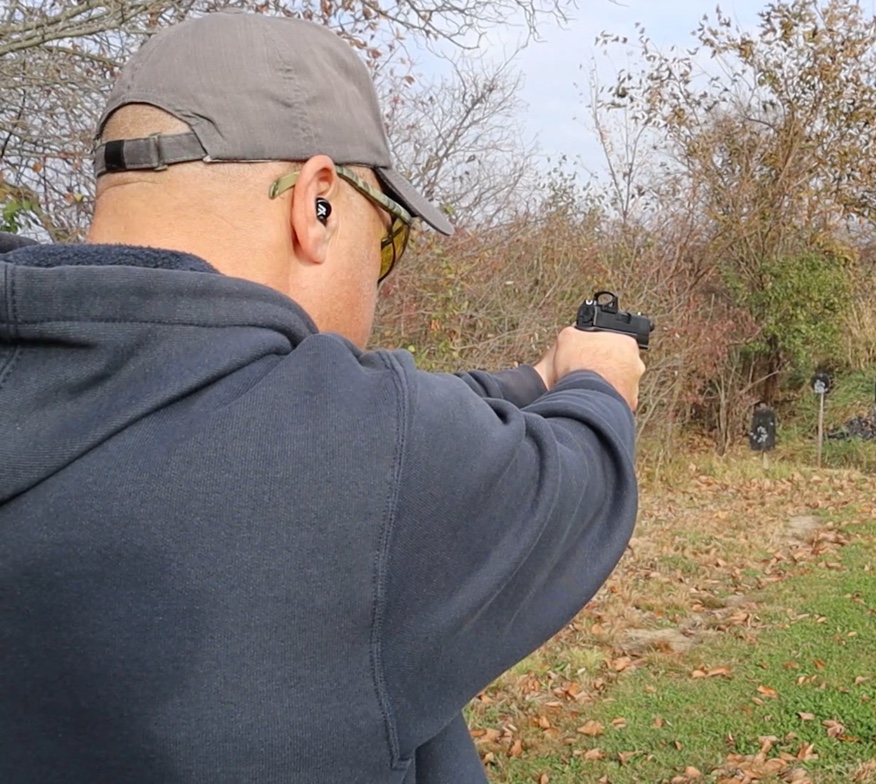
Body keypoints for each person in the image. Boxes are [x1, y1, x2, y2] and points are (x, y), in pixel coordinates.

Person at [0, 12, 644, 784]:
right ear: (318, 204)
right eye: (388, 239)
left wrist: (537, 379)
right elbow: (578, 480)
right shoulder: (359, 459)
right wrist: (599, 379)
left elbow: (352, 415)